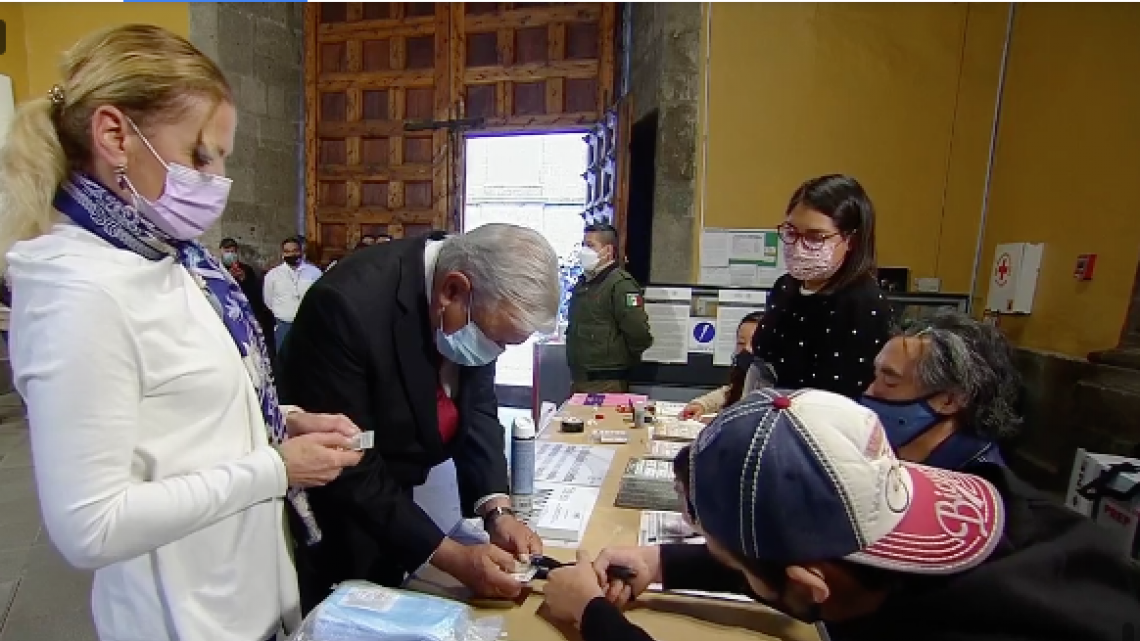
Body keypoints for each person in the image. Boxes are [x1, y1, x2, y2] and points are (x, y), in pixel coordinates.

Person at [0, 24, 363, 641]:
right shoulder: (79, 289)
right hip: (181, 618)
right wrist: (275, 468)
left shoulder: (172, 259)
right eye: (200, 155)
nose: (216, 181)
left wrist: (282, 417)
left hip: (249, 586)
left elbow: (180, 410)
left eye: (221, 157)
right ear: (115, 134)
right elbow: (91, 526)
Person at [543, 389, 1140, 641]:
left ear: (809, 587)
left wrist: (593, 617)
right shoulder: (1002, 508)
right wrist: (662, 559)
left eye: (739, 564)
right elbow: (816, 564)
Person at [278, 223, 559, 613]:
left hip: (399, 493)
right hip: (334, 514)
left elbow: (477, 408)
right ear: (452, 291)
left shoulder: (477, 305)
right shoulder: (345, 306)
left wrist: (498, 512)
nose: (496, 354)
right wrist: (450, 556)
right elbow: (350, 461)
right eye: (496, 341)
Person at [749, 175, 894, 399]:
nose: (798, 247)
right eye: (791, 232)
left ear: (850, 240)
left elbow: (850, 396)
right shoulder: (785, 288)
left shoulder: (864, 304)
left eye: (815, 237)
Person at [860, 309, 1022, 469]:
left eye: (890, 380)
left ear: (949, 400)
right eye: (876, 375)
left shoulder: (973, 485)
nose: (869, 391)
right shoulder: (886, 453)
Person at [566, 223, 654, 393]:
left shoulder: (620, 284)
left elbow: (638, 332)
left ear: (607, 251)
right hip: (581, 378)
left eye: (591, 246)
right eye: (584, 245)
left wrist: (621, 359)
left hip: (606, 382)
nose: (584, 251)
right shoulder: (585, 282)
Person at [680, 311, 763, 419]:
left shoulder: (776, 387)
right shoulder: (744, 376)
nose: (747, 349)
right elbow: (729, 393)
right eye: (741, 343)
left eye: (754, 343)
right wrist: (701, 405)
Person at [219, 236, 276, 362]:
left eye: (233, 251)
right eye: (227, 251)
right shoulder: (217, 269)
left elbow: (255, 294)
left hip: (245, 314)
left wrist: (243, 279)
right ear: (221, 251)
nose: (230, 254)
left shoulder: (246, 270)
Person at [263, 235, 322, 352]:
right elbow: (268, 300)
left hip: (308, 325)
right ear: (283, 254)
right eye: (287, 251)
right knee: (285, 361)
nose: (292, 254)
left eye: (295, 251)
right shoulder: (273, 275)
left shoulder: (314, 272)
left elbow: (320, 297)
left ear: (301, 251)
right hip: (284, 324)